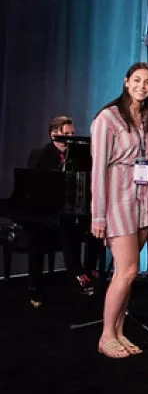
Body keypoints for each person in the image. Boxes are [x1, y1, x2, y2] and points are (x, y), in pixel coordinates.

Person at [90, 62, 148, 358]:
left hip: (144, 200)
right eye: (138, 81)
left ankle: (119, 331)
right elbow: (97, 170)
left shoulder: (146, 118)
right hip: (118, 200)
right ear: (126, 81)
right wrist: (98, 215)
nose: (142, 87)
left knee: (127, 272)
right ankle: (106, 335)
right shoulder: (108, 118)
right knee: (127, 271)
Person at [26, 116, 95, 300]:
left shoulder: (79, 156)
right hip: (45, 213)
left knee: (92, 229)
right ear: (53, 134)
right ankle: (75, 275)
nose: (70, 139)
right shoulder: (40, 155)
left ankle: (89, 273)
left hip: (71, 211)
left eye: (72, 134)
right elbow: (30, 188)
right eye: (66, 135)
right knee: (66, 227)